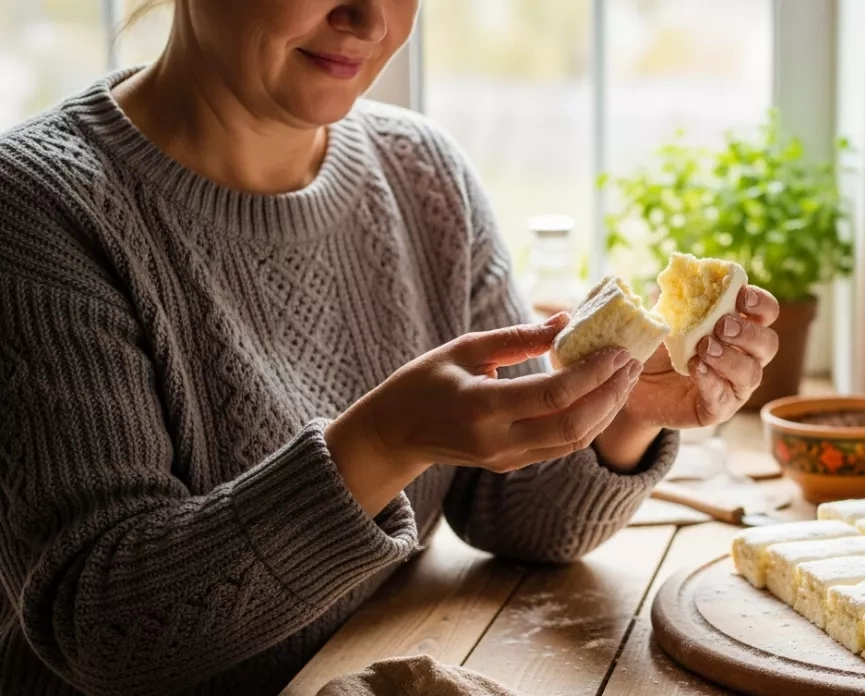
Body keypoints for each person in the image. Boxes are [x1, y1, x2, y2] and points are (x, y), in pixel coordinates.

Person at [0, 1, 781, 694]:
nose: (370, 20)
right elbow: (102, 636)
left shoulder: (423, 173)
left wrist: (621, 414)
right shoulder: (39, 208)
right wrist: (379, 445)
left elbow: (517, 517)